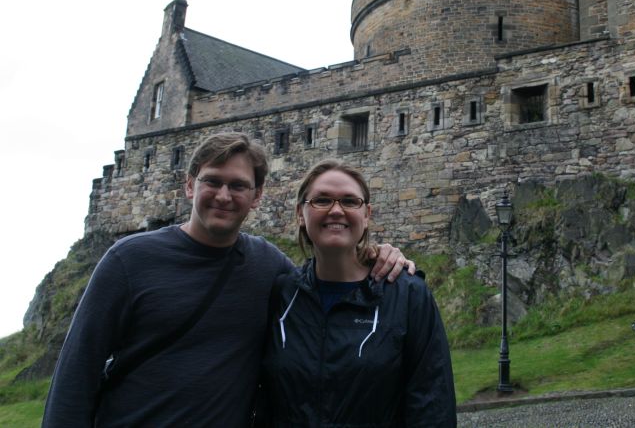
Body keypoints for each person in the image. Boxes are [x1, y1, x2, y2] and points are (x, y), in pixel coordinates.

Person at [42, 133, 413, 427]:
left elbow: (326, 277)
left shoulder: (269, 266)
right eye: (212, 182)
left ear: (256, 196)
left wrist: (376, 253)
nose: (223, 196)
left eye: (237, 186)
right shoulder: (128, 259)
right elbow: (77, 374)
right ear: (190, 186)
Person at [262, 159, 456, 427]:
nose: (336, 210)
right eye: (322, 200)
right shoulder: (282, 295)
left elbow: (432, 403)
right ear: (300, 214)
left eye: (350, 201)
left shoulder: (407, 295)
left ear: (366, 215)